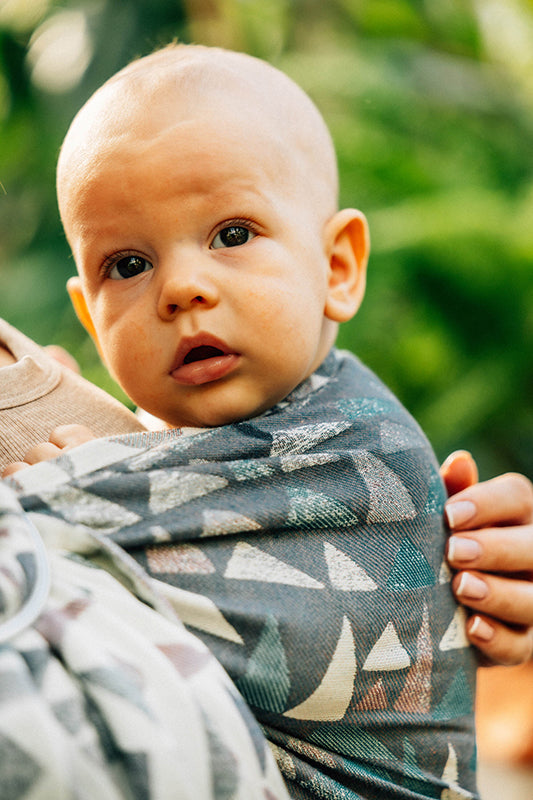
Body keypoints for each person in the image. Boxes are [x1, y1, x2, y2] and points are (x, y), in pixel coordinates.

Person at [3, 43, 533, 799]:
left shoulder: (358, 452)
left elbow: (49, 528)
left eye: (231, 234)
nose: (182, 288)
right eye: (127, 265)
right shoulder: (172, 448)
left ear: (339, 266)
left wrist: (82, 480)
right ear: (91, 321)